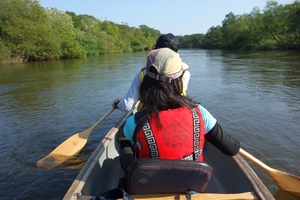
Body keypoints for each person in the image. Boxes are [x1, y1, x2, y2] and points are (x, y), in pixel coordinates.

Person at [119, 48, 240, 188]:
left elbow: (128, 136)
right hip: (191, 188)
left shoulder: (134, 121)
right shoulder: (201, 114)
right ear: (180, 80)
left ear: (146, 81)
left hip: (148, 187)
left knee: (125, 148)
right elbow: (232, 149)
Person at [112, 33, 191, 112]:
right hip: (178, 114)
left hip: (148, 116)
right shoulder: (185, 73)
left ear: (157, 49)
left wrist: (117, 104)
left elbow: (127, 106)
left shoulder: (143, 74)